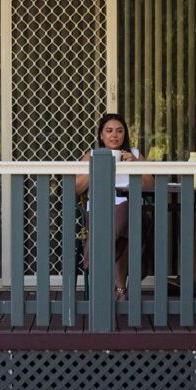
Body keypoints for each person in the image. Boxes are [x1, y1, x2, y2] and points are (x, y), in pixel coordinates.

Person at [73, 113, 145, 300]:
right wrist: (97, 166)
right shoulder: (91, 155)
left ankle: (94, 253)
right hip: (98, 211)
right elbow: (77, 187)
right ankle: (120, 290)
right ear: (101, 136)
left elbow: (151, 184)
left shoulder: (135, 154)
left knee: (123, 209)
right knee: (120, 229)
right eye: (109, 131)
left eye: (120, 131)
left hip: (131, 211)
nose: (115, 135)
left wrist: (135, 165)